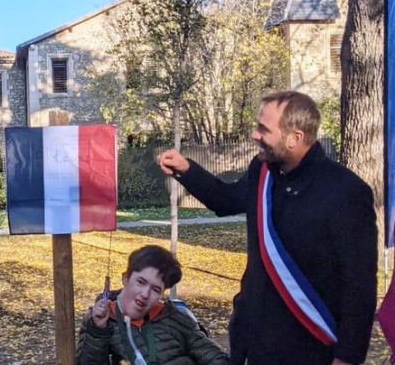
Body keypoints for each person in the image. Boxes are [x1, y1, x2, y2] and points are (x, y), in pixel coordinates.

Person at [157, 91, 377, 365]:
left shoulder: (347, 191)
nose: (254, 135)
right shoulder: (263, 172)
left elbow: (360, 285)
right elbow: (225, 200)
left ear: (295, 137)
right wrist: (185, 169)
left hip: (309, 348)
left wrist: (347, 358)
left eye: (264, 129)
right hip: (253, 340)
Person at [75, 245, 228, 365]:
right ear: (126, 278)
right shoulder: (101, 321)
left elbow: (213, 356)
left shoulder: (176, 318)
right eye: (141, 282)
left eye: (155, 289)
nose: (145, 294)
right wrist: (97, 331)